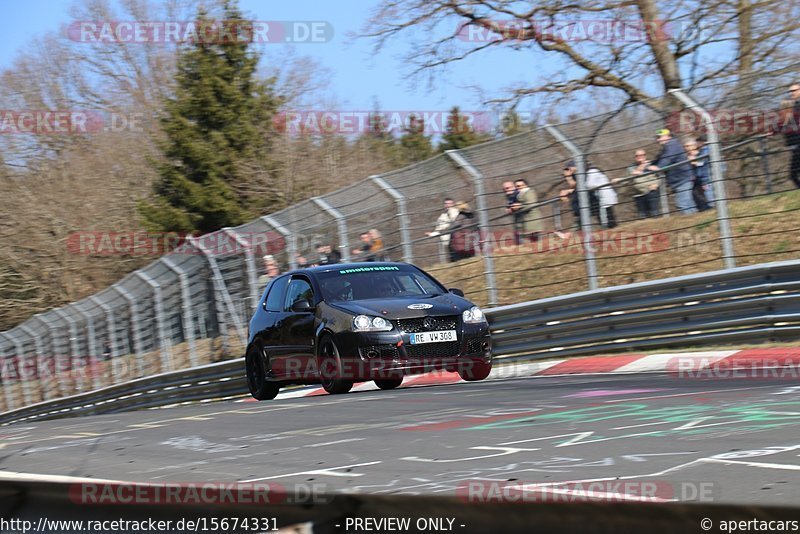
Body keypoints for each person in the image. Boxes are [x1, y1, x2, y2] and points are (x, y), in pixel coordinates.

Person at [648, 129, 697, 214]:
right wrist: (645, 167)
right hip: (679, 180)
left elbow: (668, 159)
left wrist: (658, 167)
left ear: (668, 136)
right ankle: (696, 220)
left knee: (683, 204)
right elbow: (658, 160)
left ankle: (692, 223)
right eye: (657, 137)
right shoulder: (667, 148)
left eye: (659, 137)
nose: (658, 139)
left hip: (683, 179)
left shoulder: (672, 145)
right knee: (688, 204)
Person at [626, 149, 661, 219]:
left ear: (645, 156)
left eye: (641, 155)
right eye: (637, 156)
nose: (639, 157)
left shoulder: (652, 164)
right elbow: (630, 176)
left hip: (651, 191)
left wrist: (656, 184)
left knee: (655, 213)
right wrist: (642, 166)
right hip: (639, 194)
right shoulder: (631, 167)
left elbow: (660, 175)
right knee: (643, 216)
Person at [684, 136, 713, 211]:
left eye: (688, 146)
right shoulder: (689, 155)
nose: (687, 148)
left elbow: (702, 163)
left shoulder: (704, 151)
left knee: (709, 198)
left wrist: (693, 161)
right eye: (685, 146)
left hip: (705, 179)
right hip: (698, 179)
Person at [585, 164, 618, 228]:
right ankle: (612, 226)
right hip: (605, 194)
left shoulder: (592, 171)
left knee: (606, 215)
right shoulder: (597, 171)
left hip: (603, 195)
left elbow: (590, 185)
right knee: (609, 213)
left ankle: (610, 227)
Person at [784, 83, 800, 188]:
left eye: (794, 91)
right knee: (793, 174)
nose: (792, 93)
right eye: (790, 91)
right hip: (796, 144)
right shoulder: (793, 106)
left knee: (793, 173)